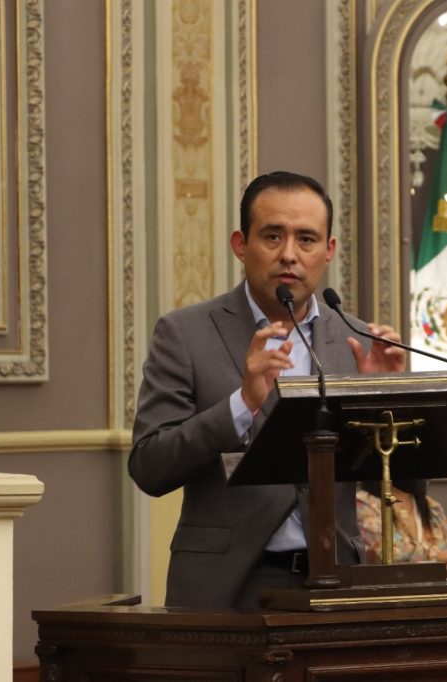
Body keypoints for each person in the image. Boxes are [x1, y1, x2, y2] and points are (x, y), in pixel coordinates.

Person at [128, 171, 406, 609]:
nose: (289, 255)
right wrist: (242, 404)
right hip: (227, 588)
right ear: (242, 245)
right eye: (272, 236)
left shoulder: (357, 339)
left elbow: (399, 479)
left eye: (307, 239)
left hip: (336, 582)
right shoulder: (185, 333)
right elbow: (150, 465)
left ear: (329, 250)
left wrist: (384, 402)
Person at [356, 479, 447, 567]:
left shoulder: (432, 507)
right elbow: (390, 554)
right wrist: (439, 556)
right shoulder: (363, 504)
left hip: (437, 586)